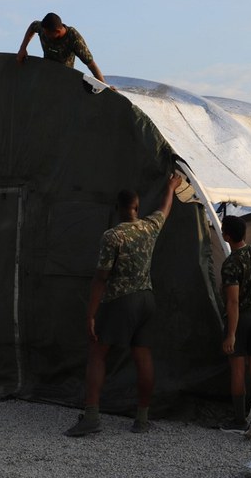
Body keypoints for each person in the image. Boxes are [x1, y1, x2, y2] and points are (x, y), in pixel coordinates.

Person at [64, 173, 182, 437]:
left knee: (97, 354)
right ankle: (142, 419)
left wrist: (91, 315)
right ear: (137, 208)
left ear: (117, 208)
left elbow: (100, 278)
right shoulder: (150, 227)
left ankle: (91, 417)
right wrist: (170, 187)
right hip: (146, 300)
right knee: (143, 357)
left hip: (120, 300)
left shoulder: (112, 236)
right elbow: (165, 208)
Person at [220, 215, 251, 441]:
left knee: (238, 369)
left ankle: (239, 418)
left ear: (227, 236)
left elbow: (232, 301)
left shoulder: (231, 263)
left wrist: (231, 333)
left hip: (242, 317)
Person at [17, 12, 107, 84]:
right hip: (47, 73)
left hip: (64, 78)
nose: (45, 35)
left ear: (58, 31)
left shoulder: (74, 38)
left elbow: (91, 64)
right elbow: (33, 26)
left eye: (48, 34)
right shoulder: (44, 28)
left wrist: (105, 87)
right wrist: (23, 48)